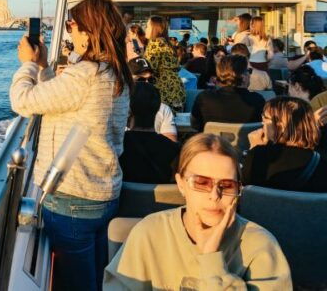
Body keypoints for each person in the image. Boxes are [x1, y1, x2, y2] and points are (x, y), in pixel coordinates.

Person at [10, 0, 132, 290]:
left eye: (71, 25)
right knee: (95, 276)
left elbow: (22, 100)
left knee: (75, 284)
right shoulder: (115, 73)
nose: (69, 32)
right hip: (102, 193)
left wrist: (27, 65)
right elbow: (64, 98)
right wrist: (43, 67)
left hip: (71, 199)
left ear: (88, 33)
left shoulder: (84, 75)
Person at [104, 133, 291, 289]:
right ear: (181, 184)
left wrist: (211, 262)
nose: (214, 195)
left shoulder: (260, 246)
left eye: (226, 185)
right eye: (202, 182)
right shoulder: (149, 233)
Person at [244, 96, 327, 192]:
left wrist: (254, 150)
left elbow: (247, 189)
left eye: (265, 118)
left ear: (281, 127)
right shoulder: (321, 161)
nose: (262, 123)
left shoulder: (259, 156)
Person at [120, 82, 181, 183]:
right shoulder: (173, 150)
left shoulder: (117, 146)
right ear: (158, 109)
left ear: (129, 109)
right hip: (159, 199)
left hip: (126, 198)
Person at [191, 55, 265, 131]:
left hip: (212, 142)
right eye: (249, 71)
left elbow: (195, 125)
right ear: (243, 77)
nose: (250, 75)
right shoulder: (257, 101)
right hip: (246, 142)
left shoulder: (204, 98)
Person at [128, 57, 178, 141]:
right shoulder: (117, 106)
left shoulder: (163, 108)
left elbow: (171, 140)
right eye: (140, 79)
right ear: (127, 79)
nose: (147, 83)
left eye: (151, 79)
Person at [145, 16, 185, 111]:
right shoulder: (167, 42)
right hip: (176, 87)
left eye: (147, 26)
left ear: (155, 28)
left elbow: (149, 69)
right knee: (172, 120)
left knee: (161, 121)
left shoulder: (155, 43)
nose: (145, 29)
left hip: (163, 88)